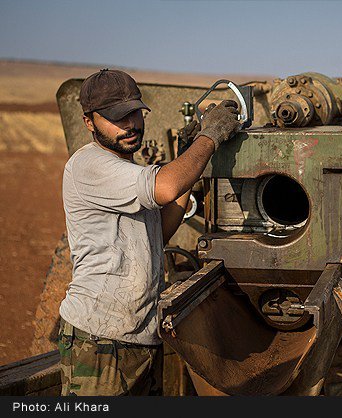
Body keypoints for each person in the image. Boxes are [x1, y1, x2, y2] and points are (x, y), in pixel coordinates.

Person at [57, 68, 240, 396]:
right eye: (117, 117)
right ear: (89, 122)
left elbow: (159, 234)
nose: (130, 125)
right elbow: (167, 186)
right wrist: (208, 138)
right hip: (100, 343)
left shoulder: (130, 172)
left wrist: (188, 155)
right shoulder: (90, 165)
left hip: (139, 338)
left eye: (134, 114)